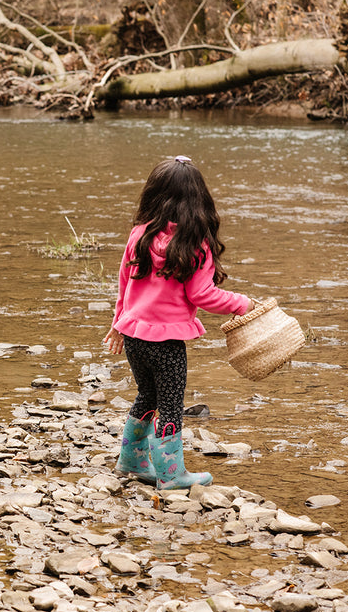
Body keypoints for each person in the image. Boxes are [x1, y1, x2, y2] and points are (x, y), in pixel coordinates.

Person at [104, 155, 254, 490]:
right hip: (167, 344)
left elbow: (124, 284)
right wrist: (242, 304)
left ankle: (131, 460)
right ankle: (172, 475)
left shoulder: (140, 234)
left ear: (153, 196)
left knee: (146, 394)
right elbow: (204, 295)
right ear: (200, 201)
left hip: (134, 337)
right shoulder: (194, 244)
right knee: (170, 406)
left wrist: (118, 323)